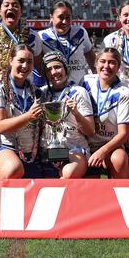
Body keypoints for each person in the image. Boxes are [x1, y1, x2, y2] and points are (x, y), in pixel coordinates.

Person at [0, 45, 45, 179]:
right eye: (21, 60)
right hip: (4, 146)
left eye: (29, 61)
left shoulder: (36, 91)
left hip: (30, 151)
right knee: (13, 168)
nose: (25, 65)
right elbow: (0, 126)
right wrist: (29, 116)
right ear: (11, 60)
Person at [39, 51, 94, 179]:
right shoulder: (41, 93)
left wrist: (76, 113)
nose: (54, 72)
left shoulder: (79, 92)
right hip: (47, 150)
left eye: (57, 67)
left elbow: (90, 130)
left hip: (74, 149)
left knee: (68, 175)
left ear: (66, 69)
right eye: (49, 70)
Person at [82, 48, 129, 179]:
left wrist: (103, 151)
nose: (106, 66)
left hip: (110, 146)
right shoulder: (85, 81)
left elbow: (123, 134)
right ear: (96, 63)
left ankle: (121, 194)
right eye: (102, 61)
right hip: (85, 143)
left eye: (112, 62)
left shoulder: (123, 92)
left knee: (119, 158)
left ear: (118, 67)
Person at [0, 0, 44, 87]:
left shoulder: (32, 36)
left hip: (25, 90)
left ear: (21, 11)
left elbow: (41, 68)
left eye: (15, 5)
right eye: (6, 5)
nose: (10, 8)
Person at [39, 0, 95, 86]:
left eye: (68, 17)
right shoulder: (42, 37)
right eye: (60, 17)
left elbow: (91, 58)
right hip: (55, 90)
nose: (64, 21)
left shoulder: (80, 32)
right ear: (51, 17)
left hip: (80, 88)